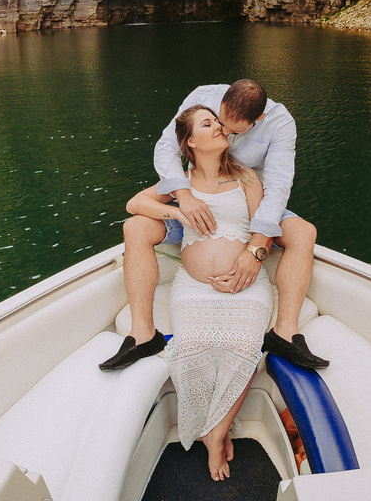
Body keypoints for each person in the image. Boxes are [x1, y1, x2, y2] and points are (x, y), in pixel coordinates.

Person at [99, 79, 328, 372]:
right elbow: (167, 147)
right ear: (220, 104)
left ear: (258, 120)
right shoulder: (202, 98)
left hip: (247, 206)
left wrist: (256, 249)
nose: (225, 134)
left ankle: (284, 333)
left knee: (303, 231)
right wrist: (183, 200)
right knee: (135, 227)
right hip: (195, 207)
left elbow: (279, 188)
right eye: (218, 123)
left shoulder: (280, 126)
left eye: (235, 131)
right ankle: (142, 334)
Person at [124, 104, 271, 480]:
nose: (220, 127)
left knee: (244, 346)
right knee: (191, 347)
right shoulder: (179, 182)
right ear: (190, 141)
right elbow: (134, 205)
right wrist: (176, 210)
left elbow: (265, 229)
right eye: (209, 124)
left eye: (219, 123)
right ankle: (214, 430)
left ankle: (216, 434)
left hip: (245, 284)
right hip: (193, 288)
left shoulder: (247, 178)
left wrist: (252, 259)